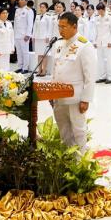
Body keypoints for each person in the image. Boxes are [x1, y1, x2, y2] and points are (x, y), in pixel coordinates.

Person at [38, 11, 95, 150]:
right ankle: (68, 157)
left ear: (74, 26)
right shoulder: (58, 44)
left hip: (75, 97)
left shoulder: (84, 45)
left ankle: (81, 158)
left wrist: (86, 99)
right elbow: (55, 70)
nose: (60, 30)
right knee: (63, 129)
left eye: (64, 27)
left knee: (78, 130)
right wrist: (51, 93)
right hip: (58, 95)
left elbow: (90, 76)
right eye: (59, 26)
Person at [13, 0, 34, 71]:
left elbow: (30, 24)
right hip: (17, 34)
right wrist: (14, 34)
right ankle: (20, 67)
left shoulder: (29, 10)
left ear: (26, 1)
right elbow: (15, 23)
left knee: (25, 52)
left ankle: (25, 68)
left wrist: (28, 35)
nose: (20, 1)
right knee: (18, 52)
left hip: (24, 35)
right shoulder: (17, 10)